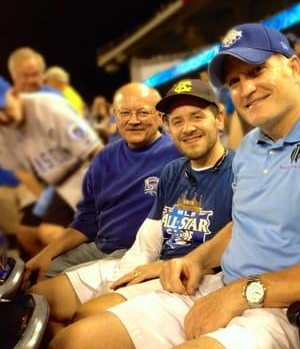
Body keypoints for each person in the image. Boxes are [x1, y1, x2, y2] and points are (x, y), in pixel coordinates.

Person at [49, 23, 300, 349]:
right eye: (235, 81)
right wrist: (198, 260)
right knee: (76, 340)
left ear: (293, 67)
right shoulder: (250, 147)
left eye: (257, 70)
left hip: (289, 307)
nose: (246, 88)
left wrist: (244, 292)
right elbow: (242, 224)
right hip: (222, 286)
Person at [45, 79, 234, 344]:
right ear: (168, 127)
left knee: (80, 326)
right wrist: (131, 272)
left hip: (199, 279)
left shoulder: (240, 169)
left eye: (197, 117)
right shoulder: (172, 171)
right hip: (152, 266)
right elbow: (150, 236)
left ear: (219, 119)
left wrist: (162, 267)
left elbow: (237, 244)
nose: (187, 128)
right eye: (177, 121)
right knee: (41, 303)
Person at [22, 82, 181, 283]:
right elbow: (87, 221)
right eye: (124, 113)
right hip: (100, 248)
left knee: (54, 289)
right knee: (34, 277)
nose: (133, 121)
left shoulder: (178, 153)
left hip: (141, 255)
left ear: (159, 117)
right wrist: (45, 254)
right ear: (115, 115)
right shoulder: (104, 157)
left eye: (143, 113)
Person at [0, 78, 102, 257]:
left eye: (3, 108)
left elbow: (96, 152)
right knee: (26, 234)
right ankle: (46, 273)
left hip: (83, 173)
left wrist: (105, 196)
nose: (3, 117)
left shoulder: (48, 107)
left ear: (14, 94)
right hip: (54, 186)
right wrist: (44, 202)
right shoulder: (3, 130)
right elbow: (21, 171)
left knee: (49, 232)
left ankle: (85, 265)